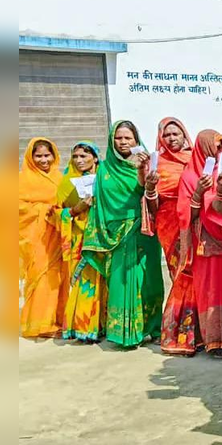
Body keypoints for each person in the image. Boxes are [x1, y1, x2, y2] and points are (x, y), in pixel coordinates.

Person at [81, 120, 165, 348]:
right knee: (122, 281)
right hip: (116, 235)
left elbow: (154, 197)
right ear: (112, 140)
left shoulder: (147, 165)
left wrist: (144, 173)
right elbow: (101, 205)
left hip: (144, 231)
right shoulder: (104, 170)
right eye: (119, 137)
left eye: (128, 137)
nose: (124, 142)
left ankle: (155, 328)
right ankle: (126, 334)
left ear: (136, 140)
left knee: (149, 280)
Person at [181, 129, 222, 357]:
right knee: (211, 290)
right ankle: (215, 341)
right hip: (204, 243)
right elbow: (186, 215)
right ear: (204, 147)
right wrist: (198, 193)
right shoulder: (190, 176)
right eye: (215, 146)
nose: (219, 151)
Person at [153, 118, 198, 355]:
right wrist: (149, 186)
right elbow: (150, 198)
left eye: (175, 133)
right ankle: (178, 334)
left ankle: (199, 334)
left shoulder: (195, 158)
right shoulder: (156, 163)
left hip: (195, 221)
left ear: (184, 134)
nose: (172, 138)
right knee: (180, 274)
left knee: (195, 274)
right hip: (170, 222)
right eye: (167, 135)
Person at [56, 141, 104, 342]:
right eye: (75, 156)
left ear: (95, 157)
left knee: (105, 281)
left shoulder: (105, 179)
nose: (79, 160)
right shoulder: (67, 183)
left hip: (104, 236)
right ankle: (84, 327)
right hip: (80, 239)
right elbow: (55, 213)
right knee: (84, 281)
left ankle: (104, 325)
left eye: (84, 156)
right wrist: (76, 209)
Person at [19, 138, 64, 338]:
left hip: (58, 236)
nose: (44, 160)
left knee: (59, 279)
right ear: (30, 157)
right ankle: (41, 325)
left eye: (47, 155)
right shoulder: (21, 180)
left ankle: (59, 319)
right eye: (38, 156)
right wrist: (43, 209)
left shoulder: (60, 178)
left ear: (54, 156)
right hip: (37, 238)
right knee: (41, 278)